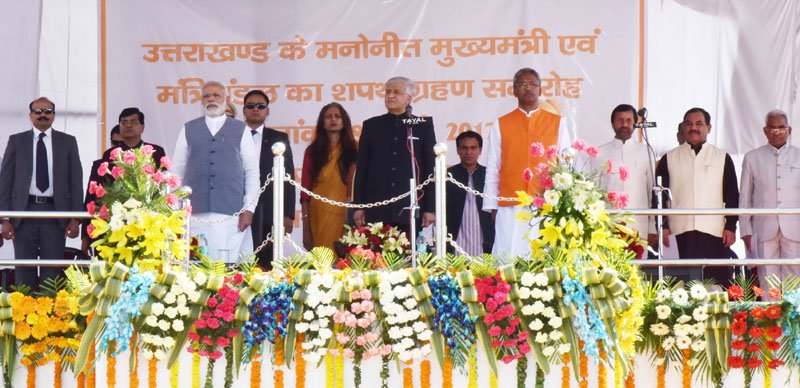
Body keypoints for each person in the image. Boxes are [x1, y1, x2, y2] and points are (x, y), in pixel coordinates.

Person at [483, 68, 571, 258]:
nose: (528, 88)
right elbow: (493, 167)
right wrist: (492, 204)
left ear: (540, 89)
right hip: (510, 203)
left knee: (545, 256)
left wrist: (564, 201)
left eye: (532, 84)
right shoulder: (502, 123)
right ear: (514, 90)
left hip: (546, 202)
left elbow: (566, 165)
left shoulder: (558, 122)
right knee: (509, 254)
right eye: (522, 84)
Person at [171, 81, 260, 263]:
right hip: (195, 213)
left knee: (227, 267)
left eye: (216, 95)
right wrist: (175, 209)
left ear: (226, 100)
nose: (211, 98)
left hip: (231, 213)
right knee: (196, 268)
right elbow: (177, 171)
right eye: (206, 95)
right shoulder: (188, 128)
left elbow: (251, 171)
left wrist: (249, 209)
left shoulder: (240, 129)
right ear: (201, 101)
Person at [0, 97, 83, 287]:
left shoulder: (68, 142)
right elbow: (5, 182)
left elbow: (75, 181)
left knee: (51, 270)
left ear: (53, 115)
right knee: (24, 268)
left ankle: (51, 315)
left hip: (56, 213)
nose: (43, 115)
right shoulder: (16, 141)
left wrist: (75, 218)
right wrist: (5, 219)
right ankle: (24, 315)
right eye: (38, 111)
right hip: (23, 212)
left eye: (47, 111)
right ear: (30, 115)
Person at [655, 107, 739, 285]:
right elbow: (659, 198)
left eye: (699, 123)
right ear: (683, 128)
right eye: (689, 124)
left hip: (714, 231)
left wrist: (731, 226)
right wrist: (662, 226)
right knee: (681, 285)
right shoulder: (669, 158)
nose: (693, 128)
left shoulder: (722, 157)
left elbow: (732, 195)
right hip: (680, 231)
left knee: (716, 284)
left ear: (708, 127)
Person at [353, 76, 436, 237]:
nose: (390, 96)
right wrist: (359, 206)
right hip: (376, 206)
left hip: (410, 206)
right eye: (388, 92)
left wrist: (430, 208)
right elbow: (362, 168)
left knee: (409, 257)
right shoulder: (371, 126)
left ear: (408, 99)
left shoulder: (421, 126)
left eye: (396, 92)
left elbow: (429, 169)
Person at [82, 109, 167, 252]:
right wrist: (86, 233)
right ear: (119, 126)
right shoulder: (111, 154)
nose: (128, 126)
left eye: (134, 122)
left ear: (142, 127)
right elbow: (100, 192)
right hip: (116, 219)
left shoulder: (155, 152)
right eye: (124, 123)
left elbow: (161, 188)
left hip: (146, 218)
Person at [740, 109, 800, 287]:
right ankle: (768, 315)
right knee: (767, 281)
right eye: (772, 127)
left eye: (781, 127)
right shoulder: (752, 157)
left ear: (789, 130)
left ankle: (794, 316)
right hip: (763, 229)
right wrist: (745, 231)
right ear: (765, 131)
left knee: (795, 282)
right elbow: (745, 197)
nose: (777, 131)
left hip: (795, 229)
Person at [241, 90, 295, 268]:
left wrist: (288, 214)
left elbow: (288, 178)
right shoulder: (234, 135)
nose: (255, 109)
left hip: (270, 208)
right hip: (239, 207)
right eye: (251, 105)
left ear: (267, 111)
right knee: (239, 260)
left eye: (260, 106)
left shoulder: (279, 138)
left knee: (267, 262)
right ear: (244, 110)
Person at [591, 104, 654, 250]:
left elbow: (652, 192)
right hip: (609, 223)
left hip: (639, 224)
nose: (624, 124)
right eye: (620, 120)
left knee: (638, 269)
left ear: (635, 123)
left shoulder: (646, 151)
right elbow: (593, 193)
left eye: (629, 120)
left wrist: (652, 229)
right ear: (613, 123)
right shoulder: (600, 152)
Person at [301, 103, 357, 251]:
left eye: (337, 116)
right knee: (323, 264)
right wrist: (305, 228)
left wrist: (352, 217)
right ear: (322, 123)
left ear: (344, 121)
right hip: (319, 215)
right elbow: (305, 192)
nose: (333, 119)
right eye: (328, 116)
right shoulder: (312, 151)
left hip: (347, 213)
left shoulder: (356, 150)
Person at [446, 131, 494, 255]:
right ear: (457, 150)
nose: (468, 152)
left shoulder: (489, 175)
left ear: (480, 150)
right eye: (464, 148)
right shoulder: (447, 175)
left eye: (473, 148)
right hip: (456, 236)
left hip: (483, 237)